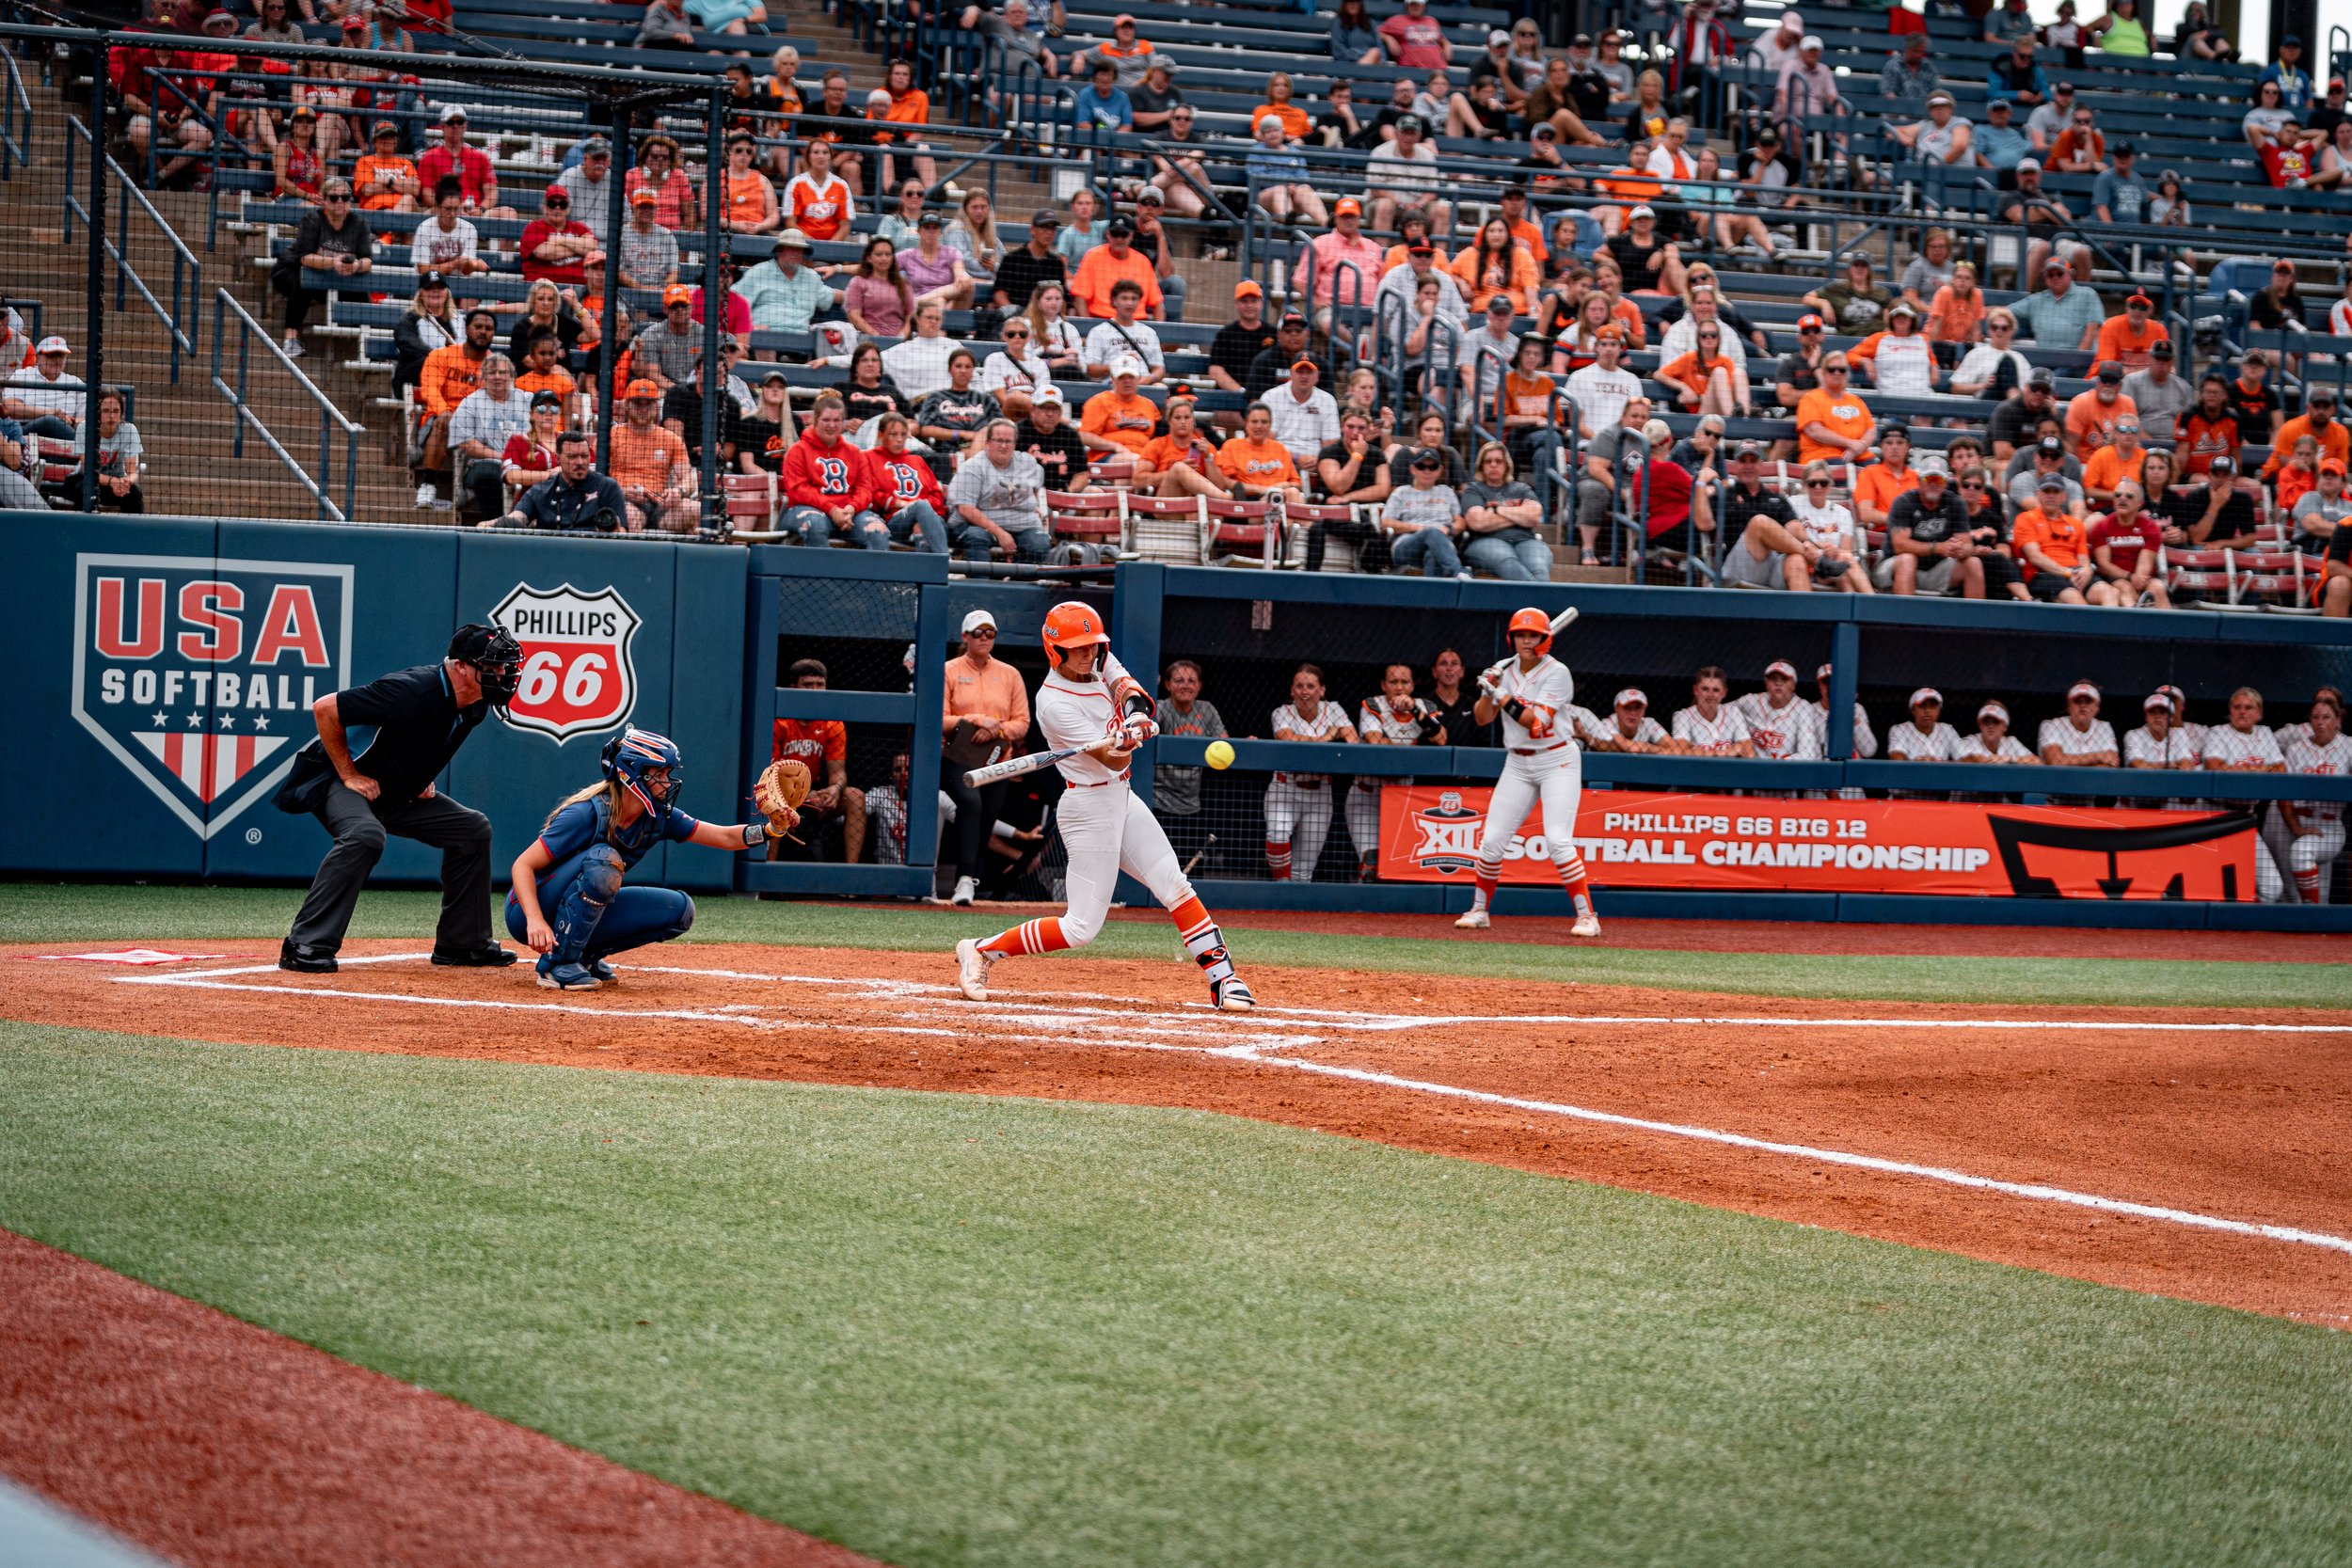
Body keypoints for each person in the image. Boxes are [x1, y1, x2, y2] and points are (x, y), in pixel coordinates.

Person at [956, 604, 1255, 1010]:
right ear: (1055, 649)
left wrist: (1134, 718)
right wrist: (1126, 742)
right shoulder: (1053, 704)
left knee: (1174, 884)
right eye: (1076, 647)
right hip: (1088, 805)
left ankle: (1225, 980)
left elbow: (1129, 689)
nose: (1087, 653)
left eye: (1092, 645)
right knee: (1080, 928)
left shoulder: (1098, 658)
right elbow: (1113, 760)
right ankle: (981, 948)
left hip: (1122, 797)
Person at [274, 623, 522, 974]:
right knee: (364, 835)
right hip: (335, 780)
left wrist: (419, 777)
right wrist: (349, 774)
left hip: (394, 790)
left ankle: (462, 943)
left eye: (504, 666)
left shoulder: (476, 702)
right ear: (462, 666)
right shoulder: (412, 690)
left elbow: (425, 740)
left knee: (471, 828)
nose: (503, 674)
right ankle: (305, 945)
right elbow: (325, 708)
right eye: (493, 665)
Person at [509, 729, 787, 991]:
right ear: (633, 773)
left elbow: (725, 838)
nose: (667, 782)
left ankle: (584, 955)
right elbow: (523, 865)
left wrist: (771, 830)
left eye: (668, 773)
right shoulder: (586, 813)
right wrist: (534, 920)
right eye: (660, 773)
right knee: (603, 860)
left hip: (569, 909)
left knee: (678, 910)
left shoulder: (657, 815)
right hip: (528, 910)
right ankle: (556, 965)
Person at [940, 608, 1029, 906]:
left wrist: (997, 731)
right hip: (957, 755)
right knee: (970, 803)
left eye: (990, 632)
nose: (984, 638)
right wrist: (977, 720)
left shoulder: (1010, 674)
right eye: (977, 632)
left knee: (986, 818)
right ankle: (964, 879)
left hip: (996, 759)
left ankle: (971, 882)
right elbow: (940, 718)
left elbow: (1023, 723)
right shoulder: (949, 669)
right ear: (965, 636)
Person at [1262, 663, 1357, 882]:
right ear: (1292, 690)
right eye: (1300, 686)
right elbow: (1290, 741)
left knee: (1304, 870)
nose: (1305, 691)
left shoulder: (1334, 709)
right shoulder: (1282, 712)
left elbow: (1353, 741)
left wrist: (1327, 740)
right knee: (1277, 834)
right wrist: (1330, 737)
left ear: (1322, 690)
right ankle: (1280, 889)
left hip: (1320, 793)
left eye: (1311, 686)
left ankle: (1293, 914)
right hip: (1285, 789)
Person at [273, 178, 373, 357]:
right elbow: (305, 258)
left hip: (333, 276)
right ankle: (291, 340)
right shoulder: (313, 219)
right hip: (289, 270)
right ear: (325, 201)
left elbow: (367, 260)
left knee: (361, 291)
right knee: (304, 281)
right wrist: (333, 262)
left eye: (345, 197)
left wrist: (357, 265)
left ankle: (370, 348)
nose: (341, 202)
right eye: (334, 198)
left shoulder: (359, 223)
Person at [779, 394, 884, 547]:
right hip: (806, 509)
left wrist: (852, 508)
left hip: (849, 513)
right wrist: (832, 509)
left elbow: (865, 488)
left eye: (837, 420)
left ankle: (866, 572)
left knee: (877, 531)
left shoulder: (855, 453)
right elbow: (799, 490)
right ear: (815, 422)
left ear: (843, 423)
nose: (832, 425)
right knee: (815, 525)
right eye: (826, 420)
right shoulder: (798, 451)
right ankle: (823, 571)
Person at [2274, 695, 2349, 901]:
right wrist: (2296, 828)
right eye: (2315, 717)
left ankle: (2311, 913)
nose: (2320, 722)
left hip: (2328, 827)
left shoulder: (2349, 746)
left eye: (2326, 717)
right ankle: (2311, 915)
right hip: (2296, 823)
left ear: (2337, 720)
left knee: (2301, 853)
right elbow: (2284, 795)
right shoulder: (2296, 750)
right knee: (2301, 888)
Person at [947, 419, 1051, 562]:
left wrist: (1033, 506)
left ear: (1015, 444)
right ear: (988, 442)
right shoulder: (973, 467)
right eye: (999, 441)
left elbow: (1033, 491)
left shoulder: (1029, 464)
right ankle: (981, 583)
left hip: (1022, 525)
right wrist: (1000, 533)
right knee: (977, 537)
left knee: (1039, 544)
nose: (1004, 446)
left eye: (1008, 441)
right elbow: (965, 509)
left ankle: (1018, 584)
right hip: (976, 525)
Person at [446, 352, 531, 522]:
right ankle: (497, 524)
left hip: (526, 462)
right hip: (487, 462)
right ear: (483, 377)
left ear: (512, 375)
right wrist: (503, 457)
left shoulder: (528, 399)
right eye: (492, 373)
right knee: (487, 475)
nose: (497, 377)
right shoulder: (471, 402)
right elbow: (467, 443)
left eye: (502, 372)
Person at [1457, 443, 1549, 581]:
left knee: (1539, 568)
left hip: (1526, 540)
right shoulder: (1474, 489)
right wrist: (1519, 515)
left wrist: (1496, 510)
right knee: (1508, 561)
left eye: (1498, 461)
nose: (1493, 465)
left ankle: (1536, 602)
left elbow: (1534, 516)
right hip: (1486, 541)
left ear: (1506, 464)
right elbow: (1478, 522)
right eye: (1488, 461)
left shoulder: (1522, 488)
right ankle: (1543, 602)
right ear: (1481, 466)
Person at [865, 414, 951, 553]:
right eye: (893, 434)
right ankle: (946, 562)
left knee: (921, 525)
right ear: (881, 435)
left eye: (903, 434)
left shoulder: (917, 460)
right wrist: (904, 504)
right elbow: (872, 494)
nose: (899, 439)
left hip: (930, 519)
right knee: (921, 506)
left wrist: (920, 509)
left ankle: (924, 573)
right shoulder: (869, 458)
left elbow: (936, 496)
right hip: (895, 522)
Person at [1381, 449, 1465, 578]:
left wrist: (1449, 528)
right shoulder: (1401, 492)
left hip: (1441, 545)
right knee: (1431, 532)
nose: (1427, 471)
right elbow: (1385, 522)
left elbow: (1460, 522)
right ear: (1413, 469)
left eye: (1433, 467)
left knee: (1432, 555)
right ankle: (1458, 572)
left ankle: (1430, 597)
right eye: (1421, 466)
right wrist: (1421, 529)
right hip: (1406, 545)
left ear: (1439, 470)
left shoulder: (1447, 492)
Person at [1732, 660, 1822, 761]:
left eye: (1784, 679)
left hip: (1786, 771)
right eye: (1773, 679)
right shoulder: (1750, 702)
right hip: (1753, 768)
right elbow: (1722, 710)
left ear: (1793, 685)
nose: (1778, 683)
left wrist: (1775, 764)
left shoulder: (1804, 708)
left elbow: (1808, 755)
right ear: (1766, 683)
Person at [1081, 278, 1165, 382]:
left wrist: (1149, 379)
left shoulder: (1149, 333)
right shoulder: (1099, 332)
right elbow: (1091, 370)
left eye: (1134, 299)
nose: (1129, 303)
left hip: (1144, 384)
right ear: (1114, 301)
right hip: (1112, 384)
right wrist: (1120, 363)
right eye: (1124, 298)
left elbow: (1159, 368)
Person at [881, 298, 961, 402]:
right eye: (929, 318)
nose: (933, 322)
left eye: (937, 318)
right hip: (917, 406)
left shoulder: (954, 346)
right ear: (918, 319)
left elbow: (974, 379)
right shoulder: (903, 350)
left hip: (952, 403)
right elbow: (866, 359)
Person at [1668, 666, 1753, 755]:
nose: (1710, 694)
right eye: (1705, 689)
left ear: (1724, 693)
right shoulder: (1683, 716)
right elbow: (1679, 754)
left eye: (1716, 690)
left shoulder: (1733, 712)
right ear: (1696, 690)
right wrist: (1728, 751)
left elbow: (1750, 753)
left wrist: (1699, 753)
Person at [1886, 689, 1962, 764]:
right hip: (1911, 774)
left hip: (1941, 774)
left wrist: (1939, 762)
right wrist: (1917, 763)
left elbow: (1965, 757)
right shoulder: (1900, 729)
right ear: (1913, 710)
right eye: (1922, 706)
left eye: (1932, 706)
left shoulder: (1947, 730)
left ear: (1939, 710)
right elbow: (1896, 757)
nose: (1927, 710)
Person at [1954, 702, 2037, 766]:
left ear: (2005, 726)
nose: (1991, 726)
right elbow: (1962, 758)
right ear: (1980, 725)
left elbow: (2037, 761)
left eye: (1996, 722)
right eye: (1986, 722)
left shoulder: (2011, 742)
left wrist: (2010, 758)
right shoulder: (1970, 741)